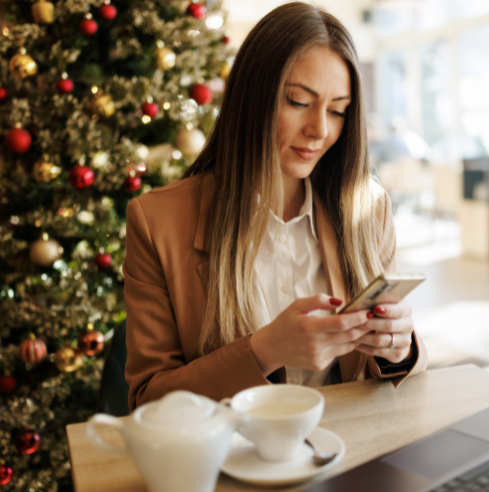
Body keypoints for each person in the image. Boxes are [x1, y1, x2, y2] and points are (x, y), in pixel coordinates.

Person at [123, 1, 427, 411]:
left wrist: (399, 349)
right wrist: (264, 350)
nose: (320, 129)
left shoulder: (367, 209)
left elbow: (396, 376)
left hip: (349, 454)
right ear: (253, 98)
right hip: (237, 461)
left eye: (337, 110)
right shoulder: (158, 222)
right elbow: (149, 400)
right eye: (299, 102)